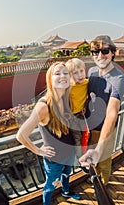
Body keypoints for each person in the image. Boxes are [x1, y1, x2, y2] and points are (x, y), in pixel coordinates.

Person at [16, 62, 80, 205]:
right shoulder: (43, 106)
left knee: (66, 174)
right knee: (50, 186)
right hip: (54, 160)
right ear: (49, 79)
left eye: (65, 73)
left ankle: (66, 191)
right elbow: (21, 135)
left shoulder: (67, 98)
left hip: (69, 152)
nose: (62, 76)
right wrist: (38, 151)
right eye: (57, 73)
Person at [79, 35, 124, 186]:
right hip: (89, 126)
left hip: (105, 130)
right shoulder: (92, 71)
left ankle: (103, 184)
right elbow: (87, 93)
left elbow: (112, 113)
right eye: (95, 51)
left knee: (104, 161)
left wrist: (100, 148)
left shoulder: (118, 78)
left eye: (105, 50)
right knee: (91, 157)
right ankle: (95, 177)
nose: (100, 55)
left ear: (113, 52)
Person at [65, 58, 89, 159]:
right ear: (70, 75)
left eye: (81, 71)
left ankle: (85, 153)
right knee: (77, 137)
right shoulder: (69, 87)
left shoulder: (87, 83)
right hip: (71, 116)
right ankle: (80, 158)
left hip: (81, 114)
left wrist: (86, 105)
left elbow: (89, 95)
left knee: (85, 134)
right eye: (75, 73)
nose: (80, 75)